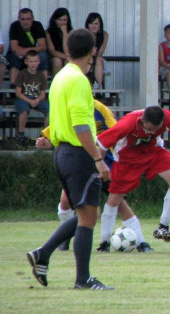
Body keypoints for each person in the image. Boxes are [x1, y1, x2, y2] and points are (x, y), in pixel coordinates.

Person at [26, 28, 113, 290]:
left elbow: (59, 120)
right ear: (93, 51)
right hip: (78, 154)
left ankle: (43, 254)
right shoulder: (78, 80)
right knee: (88, 217)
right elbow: (81, 126)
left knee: (86, 213)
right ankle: (82, 279)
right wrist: (98, 159)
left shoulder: (61, 76)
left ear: (67, 50)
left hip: (62, 152)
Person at [35, 100, 152, 253]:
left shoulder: (100, 109)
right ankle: (65, 238)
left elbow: (117, 131)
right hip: (79, 160)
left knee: (118, 201)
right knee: (65, 201)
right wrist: (47, 143)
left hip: (105, 162)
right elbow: (58, 133)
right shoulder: (69, 109)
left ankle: (141, 242)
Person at [97, 106, 170, 245]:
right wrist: (101, 166)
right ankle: (104, 242)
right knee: (115, 198)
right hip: (127, 157)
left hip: (154, 151)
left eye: (156, 129)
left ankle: (163, 227)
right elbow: (101, 143)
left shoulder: (168, 117)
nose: (152, 132)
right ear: (142, 120)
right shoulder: (127, 123)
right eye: (148, 129)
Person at [14, 50, 49, 146]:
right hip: (24, 98)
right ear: (26, 62)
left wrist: (37, 100)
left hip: (37, 99)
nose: (33, 64)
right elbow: (18, 92)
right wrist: (29, 101)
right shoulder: (22, 73)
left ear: (39, 62)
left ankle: (45, 136)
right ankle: (21, 135)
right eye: (31, 61)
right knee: (24, 110)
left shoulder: (41, 75)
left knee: (51, 112)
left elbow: (43, 94)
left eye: (35, 61)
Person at [6, 8, 49, 85]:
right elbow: (14, 47)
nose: (25, 22)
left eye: (28, 19)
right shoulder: (15, 26)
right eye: (23, 19)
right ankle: (14, 85)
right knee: (14, 56)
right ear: (19, 19)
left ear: (32, 18)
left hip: (32, 55)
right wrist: (23, 52)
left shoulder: (37, 25)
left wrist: (26, 51)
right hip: (19, 54)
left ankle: (43, 85)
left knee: (43, 55)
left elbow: (43, 46)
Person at [46, 8, 72, 78]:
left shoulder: (72, 32)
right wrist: (66, 57)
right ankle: (56, 85)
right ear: (54, 20)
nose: (62, 23)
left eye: (64, 20)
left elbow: (67, 49)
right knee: (57, 61)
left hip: (68, 57)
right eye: (59, 20)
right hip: (53, 59)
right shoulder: (48, 32)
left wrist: (65, 33)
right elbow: (52, 51)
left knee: (69, 63)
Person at [84, 13, 108, 89]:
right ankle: (88, 84)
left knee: (99, 59)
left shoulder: (104, 35)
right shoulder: (83, 35)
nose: (94, 26)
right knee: (88, 59)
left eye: (96, 24)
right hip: (85, 58)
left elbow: (101, 52)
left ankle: (100, 86)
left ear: (100, 25)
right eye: (91, 23)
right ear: (87, 25)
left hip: (97, 58)